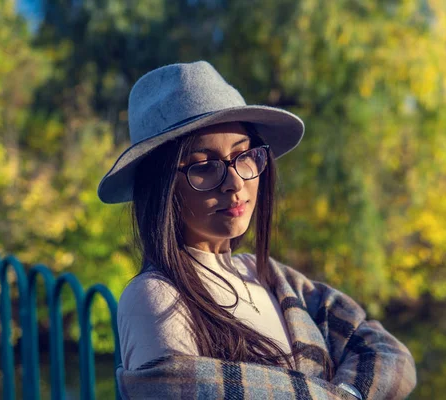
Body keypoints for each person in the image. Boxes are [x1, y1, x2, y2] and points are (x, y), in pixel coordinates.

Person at [98, 61, 416, 399]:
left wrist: (350, 391)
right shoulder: (157, 297)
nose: (235, 183)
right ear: (161, 187)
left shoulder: (274, 277)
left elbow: (386, 352)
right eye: (204, 166)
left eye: (244, 155)